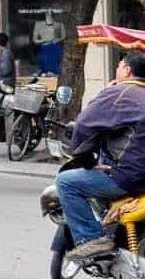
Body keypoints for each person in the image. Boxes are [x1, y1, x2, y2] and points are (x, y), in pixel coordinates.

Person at [56, 52, 145, 261]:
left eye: (119, 65)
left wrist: (83, 158)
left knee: (67, 182)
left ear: (126, 70)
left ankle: (92, 239)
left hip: (130, 176)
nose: (117, 69)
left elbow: (86, 124)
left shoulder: (120, 92)